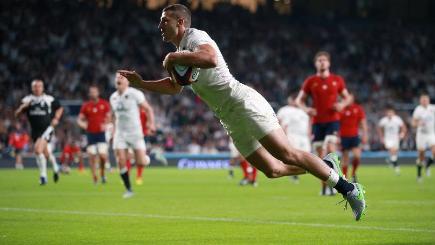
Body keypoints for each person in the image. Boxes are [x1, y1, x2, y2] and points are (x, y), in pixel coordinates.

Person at [118, 4, 366, 220]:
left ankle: (349, 189)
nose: (160, 25)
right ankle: (324, 166)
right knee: (272, 170)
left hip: (243, 102)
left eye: (164, 20)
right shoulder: (179, 54)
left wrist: (173, 56)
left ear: (180, 22)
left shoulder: (194, 36)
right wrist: (142, 83)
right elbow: (174, 88)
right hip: (229, 118)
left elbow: (210, 58)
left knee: (288, 154)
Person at [295, 51, 352, 195]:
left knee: (331, 149)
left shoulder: (337, 80)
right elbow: (298, 100)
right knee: (320, 157)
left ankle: (338, 184)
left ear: (329, 63)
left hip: (332, 121)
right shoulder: (310, 81)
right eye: (319, 60)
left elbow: (348, 97)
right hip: (317, 123)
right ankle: (325, 187)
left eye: (324, 60)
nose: (322, 62)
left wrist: (342, 105)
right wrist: (306, 109)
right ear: (315, 63)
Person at [110, 72, 156, 198]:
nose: (118, 79)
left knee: (141, 162)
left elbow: (148, 109)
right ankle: (128, 189)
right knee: (120, 159)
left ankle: (145, 158)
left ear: (127, 81)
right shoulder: (113, 97)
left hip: (135, 132)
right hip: (120, 133)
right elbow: (113, 116)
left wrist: (151, 124)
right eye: (117, 77)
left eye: (121, 77)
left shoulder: (135, 94)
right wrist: (112, 130)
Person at [14, 79, 63, 185]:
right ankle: (56, 167)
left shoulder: (49, 99)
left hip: (47, 129)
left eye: (39, 86)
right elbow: (16, 115)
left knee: (37, 150)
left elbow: (59, 108)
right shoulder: (27, 100)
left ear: (43, 87)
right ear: (32, 88)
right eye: (35, 86)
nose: (37, 88)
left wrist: (56, 118)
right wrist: (22, 107)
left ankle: (43, 176)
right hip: (35, 131)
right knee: (45, 153)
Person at [77, 85, 111, 184]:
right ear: (89, 94)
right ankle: (94, 177)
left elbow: (109, 117)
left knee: (103, 156)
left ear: (98, 93)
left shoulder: (104, 104)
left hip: (101, 134)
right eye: (91, 92)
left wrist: (105, 124)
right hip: (90, 134)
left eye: (94, 92)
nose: (93, 94)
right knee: (91, 156)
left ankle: (103, 174)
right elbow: (80, 119)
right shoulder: (86, 106)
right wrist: (83, 125)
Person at [277, 95, 311, 184]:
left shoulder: (304, 111)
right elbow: (281, 123)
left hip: (304, 137)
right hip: (293, 135)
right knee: (294, 156)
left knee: (306, 156)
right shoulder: (285, 110)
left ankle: (300, 172)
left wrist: (309, 134)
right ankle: (293, 175)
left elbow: (308, 124)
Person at [339, 93, 368, 183]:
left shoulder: (358, 108)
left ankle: (353, 174)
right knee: (345, 158)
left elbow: (363, 122)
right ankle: (345, 177)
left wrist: (365, 134)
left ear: (353, 98)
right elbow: (336, 123)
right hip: (343, 136)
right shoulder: (341, 109)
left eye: (349, 97)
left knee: (357, 156)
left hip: (354, 136)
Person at [412, 93, 435, 182]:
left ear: (428, 101)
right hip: (421, 135)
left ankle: (428, 165)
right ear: (420, 101)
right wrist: (418, 124)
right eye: (423, 100)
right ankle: (419, 174)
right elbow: (413, 123)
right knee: (421, 154)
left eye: (426, 100)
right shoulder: (418, 110)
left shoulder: (432, 108)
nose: (424, 101)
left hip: (431, 133)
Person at [377, 105, 407, 175]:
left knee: (394, 153)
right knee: (392, 150)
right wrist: (381, 137)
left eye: (391, 112)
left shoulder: (397, 119)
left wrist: (402, 134)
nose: (389, 114)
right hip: (387, 139)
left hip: (396, 138)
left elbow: (404, 127)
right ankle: (397, 168)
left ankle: (390, 160)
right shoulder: (383, 120)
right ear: (386, 113)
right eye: (388, 112)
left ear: (393, 113)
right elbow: (379, 128)